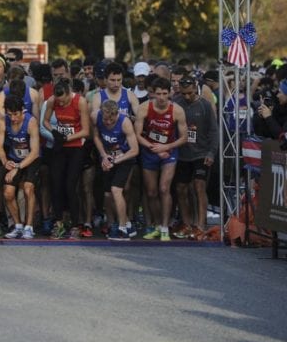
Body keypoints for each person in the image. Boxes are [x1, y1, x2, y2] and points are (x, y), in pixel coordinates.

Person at [135, 76, 188, 241]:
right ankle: (157, 225)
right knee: (151, 192)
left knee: (164, 188)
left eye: (165, 93)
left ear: (170, 93)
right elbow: (137, 135)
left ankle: (165, 227)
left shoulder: (177, 110)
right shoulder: (144, 108)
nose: (162, 97)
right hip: (150, 151)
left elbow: (184, 138)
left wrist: (166, 148)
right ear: (153, 94)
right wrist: (155, 148)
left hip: (168, 151)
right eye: (159, 93)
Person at [43, 78, 90, 239]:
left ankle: (76, 224)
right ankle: (59, 222)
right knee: (55, 183)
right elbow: (46, 121)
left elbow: (85, 131)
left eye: (63, 102)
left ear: (69, 94)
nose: (61, 105)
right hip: (60, 146)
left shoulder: (80, 102)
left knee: (70, 185)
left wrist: (67, 138)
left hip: (76, 146)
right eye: (59, 102)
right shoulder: (52, 100)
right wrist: (55, 132)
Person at [173, 76, 218, 235]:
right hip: (182, 153)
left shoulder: (205, 105)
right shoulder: (176, 102)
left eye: (190, 93)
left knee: (199, 186)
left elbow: (214, 130)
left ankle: (200, 225)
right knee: (181, 188)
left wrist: (212, 152)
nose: (187, 97)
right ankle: (186, 223)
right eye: (184, 93)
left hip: (201, 153)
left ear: (196, 88)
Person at [93, 99, 140, 240]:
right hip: (108, 157)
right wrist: (104, 156)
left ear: (116, 115)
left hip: (125, 158)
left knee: (116, 190)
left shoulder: (125, 123)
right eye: (105, 119)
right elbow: (96, 136)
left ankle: (122, 228)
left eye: (110, 119)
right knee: (107, 195)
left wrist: (114, 161)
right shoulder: (96, 117)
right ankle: (123, 224)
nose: (107, 122)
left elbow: (135, 150)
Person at [0, 94, 41, 240]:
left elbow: (34, 152)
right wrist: (4, 161)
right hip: (14, 159)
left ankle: (29, 227)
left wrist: (17, 168)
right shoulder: (4, 121)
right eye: (10, 115)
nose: (13, 118)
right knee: (8, 193)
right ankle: (18, 226)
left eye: (15, 114)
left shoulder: (31, 122)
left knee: (28, 189)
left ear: (23, 110)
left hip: (30, 160)